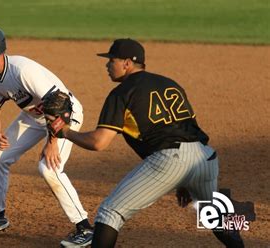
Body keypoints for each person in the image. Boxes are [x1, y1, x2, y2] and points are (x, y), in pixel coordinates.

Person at [47, 38, 245, 247]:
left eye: (111, 60)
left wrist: (65, 131)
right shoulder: (170, 83)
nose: (107, 65)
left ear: (126, 63)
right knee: (214, 214)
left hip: (171, 159)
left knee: (110, 212)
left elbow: (98, 142)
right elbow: (186, 127)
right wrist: (186, 178)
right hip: (205, 157)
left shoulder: (122, 93)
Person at [0, 25, 93, 247]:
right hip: (36, 118)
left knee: (48, 168)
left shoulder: (21, 70)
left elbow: (59, 103)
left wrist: (52, 142)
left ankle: (85, 228)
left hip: (65, 115)